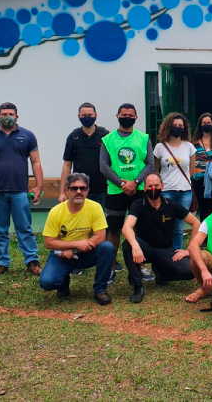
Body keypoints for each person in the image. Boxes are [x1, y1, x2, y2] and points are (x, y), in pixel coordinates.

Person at [0, 102, 43, 276]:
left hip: (20, 191)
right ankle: (2, 262)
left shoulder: (27, 136)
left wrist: (39, 186)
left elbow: (35, 162)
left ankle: (32, 261)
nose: (8, 116)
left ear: (17, 116)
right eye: (4, 113)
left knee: (25, 228)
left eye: (11, 114)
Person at [122, 173, 200, 303]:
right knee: (128, 245)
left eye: (156, 185)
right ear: (145, 188)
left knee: (189, 270)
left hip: (165, 249)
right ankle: (137, 286)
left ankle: (162, 272)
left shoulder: (171, 204)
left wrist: (189, 250)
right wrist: (136, 246)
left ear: (162, 186)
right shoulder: (138, 204)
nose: (153, 189)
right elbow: (126, 227)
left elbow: (196, 223)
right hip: (144, 249)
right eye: (150, 186)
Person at [38, 173, 114, 305]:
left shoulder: (95, 208)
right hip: (62, 254)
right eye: (74, 188)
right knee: (47, 282)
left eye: (82, 188)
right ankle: (63, 285)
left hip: (88, 251)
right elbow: (48, 242)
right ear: (67, 190)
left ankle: (100, 290)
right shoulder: (56, 212)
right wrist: (73, 246)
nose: (78, 191)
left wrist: (75, 248)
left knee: (107, 247)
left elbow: (101, 236)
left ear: (88, 190)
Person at [100, 103, 154, 285]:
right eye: (124, 114)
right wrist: (122, 183)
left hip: (138, 190)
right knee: (113, 230)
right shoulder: (108, 139)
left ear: (136, 118)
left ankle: (141, 265)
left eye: (130, 115)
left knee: (139, 229)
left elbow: (150, 164)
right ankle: (111, 268)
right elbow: (104, 166)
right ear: (117, 116)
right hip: (116, 191)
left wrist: (136, 182)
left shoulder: (143, 137)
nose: (127, 117)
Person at [59, 102, 110, 276]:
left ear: (96, 115)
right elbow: (67, 164)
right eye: (83, 114)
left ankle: (105, 256)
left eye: (90, 114)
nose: (87, 117)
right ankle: (77, 259)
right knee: (78, 225)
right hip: (78, 191)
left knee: (102, 225)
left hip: (102, 188)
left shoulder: (105, 135)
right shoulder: (73, 137)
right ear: (78, 116)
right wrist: (62, 191)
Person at [153, 112, 196, 251]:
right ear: (168, 127)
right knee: (164, 223)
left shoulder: (189, 147)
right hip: (166, 191)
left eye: (181, 126)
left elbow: (191, 170)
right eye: (175, 125)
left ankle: (175, 253)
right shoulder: (160, 147)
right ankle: (163, 250)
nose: (178, 128)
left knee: (179, 226)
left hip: (185, 192)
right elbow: (155, 170)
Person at [191, 112, 212, 220]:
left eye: (209, 122)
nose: (206, 124)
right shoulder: (193, 142)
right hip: (199, 179)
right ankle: (204, 235)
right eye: (204, 123)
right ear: (200, 125)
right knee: (202, 209)